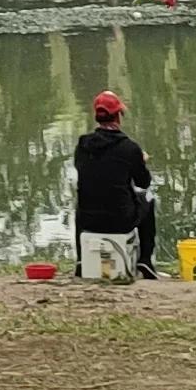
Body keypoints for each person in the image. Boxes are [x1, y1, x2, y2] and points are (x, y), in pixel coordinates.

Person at [73, 90, 157, 281]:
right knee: (148, 200)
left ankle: (81, 261)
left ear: (97, 117)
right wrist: (140, 161)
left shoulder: (83, 144)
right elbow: (144, 183)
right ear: (118, 116)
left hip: (89, 220)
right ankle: (145, 261)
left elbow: (86, 173)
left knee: (82, 203)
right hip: (121, 219)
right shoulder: (130, 148)